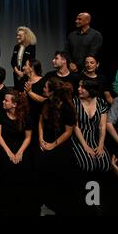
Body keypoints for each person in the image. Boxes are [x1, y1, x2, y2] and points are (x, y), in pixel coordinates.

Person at [37, 77, 77, 214]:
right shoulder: (46, 103)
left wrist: (52, 145)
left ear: (52, 91)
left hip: (60, 140)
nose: (43, 89)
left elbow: (68, 132)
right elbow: (41, 122)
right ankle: (44, 201)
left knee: (59, 168)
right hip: (46, 137)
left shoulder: (67, 107)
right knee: (41, 165)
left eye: (45, 87)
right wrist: (41, 138)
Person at [0, 90, 33, 214]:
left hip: (21, 145)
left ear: (14, 104)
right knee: (7, 165)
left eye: (6, 100)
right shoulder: (0, 114)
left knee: (24, 165)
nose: (3, 102)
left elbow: (27, 137)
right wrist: (9, 152)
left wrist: (20, 152)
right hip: (5, 144)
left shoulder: (26, 117)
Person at [71, 79, 111, 172]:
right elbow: (75, 127)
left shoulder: (101, 103)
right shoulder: (74, 102)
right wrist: (85, 146)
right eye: (79, 86)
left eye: (82, 87)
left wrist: (101, 145)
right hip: (79, 138)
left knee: (105, 165)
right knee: (89, 166)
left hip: (94, 137)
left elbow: (102, 126)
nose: (78, 89)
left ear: (91, 90)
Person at [10, 26, 37, 91]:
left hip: (26, 75)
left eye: (20, 35)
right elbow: (13, 61)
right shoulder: (16, 47)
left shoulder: (31, 47)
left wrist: (23, 73)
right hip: (16, 74)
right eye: (17, 35)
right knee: (17, 91)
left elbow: (31, 62)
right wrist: (17, 71)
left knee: (25, 92)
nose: (17, 37)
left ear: (26, 36)